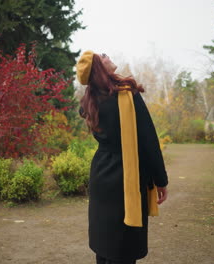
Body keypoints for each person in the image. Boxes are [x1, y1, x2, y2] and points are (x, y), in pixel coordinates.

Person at [76, 50, 169, 264]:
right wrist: (161, 180)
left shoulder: (87, 103)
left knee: (105, 244)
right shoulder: (127, 95)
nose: (108, 55)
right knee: (125, 248)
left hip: (101, 175)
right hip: (127, 177)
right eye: (103, 55)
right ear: (99, 67)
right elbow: (148, 142)